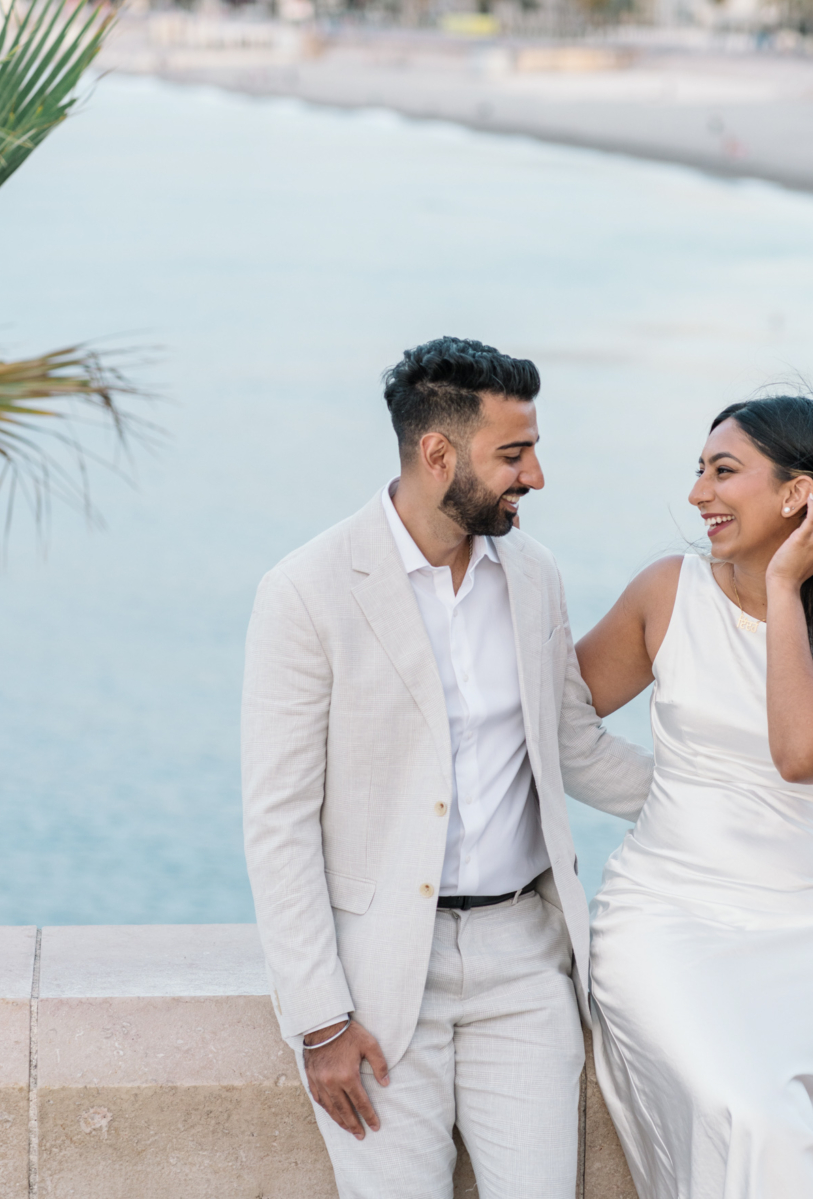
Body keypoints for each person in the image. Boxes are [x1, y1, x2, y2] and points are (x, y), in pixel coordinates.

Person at [241, 336, 653, 1199]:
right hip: (383, 982)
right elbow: (277, 822)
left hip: (524, 964)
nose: (535, 475)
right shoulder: (306, 590)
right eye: (514, 453)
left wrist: (729, 800)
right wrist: (319, 1022)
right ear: (438, 455)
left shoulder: (534, 576)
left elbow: (572, 746)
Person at [578, 395, 813, 1199]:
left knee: (780, 1126)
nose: (698, 493)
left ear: (801, 493)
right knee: (753, 1117)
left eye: (723, 471)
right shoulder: (667, 594)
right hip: (669, 916)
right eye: (698, 471)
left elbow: (805, 755)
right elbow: (553, 717)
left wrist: (781, 591)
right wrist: (661, 794)